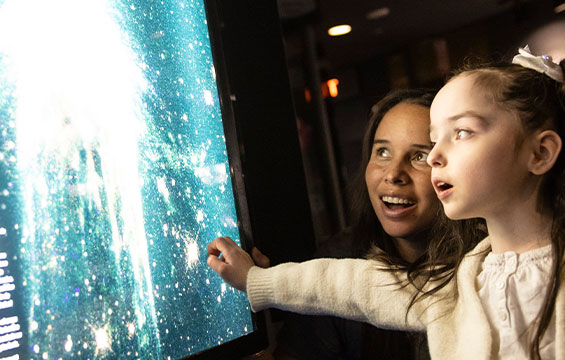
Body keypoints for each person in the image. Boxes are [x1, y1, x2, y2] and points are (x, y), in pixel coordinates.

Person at [207, 46, 565, 360]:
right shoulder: (456, 283)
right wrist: (256, 280)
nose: (438, 154)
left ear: (540, 152)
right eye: (435, 139)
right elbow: (348, 285)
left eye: (462, 132)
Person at [274, 88, 440, 360]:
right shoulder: (339, 260)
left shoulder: (488, 264)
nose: (394, 174)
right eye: (383, 152)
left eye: (420, 156)